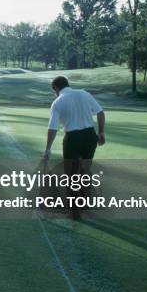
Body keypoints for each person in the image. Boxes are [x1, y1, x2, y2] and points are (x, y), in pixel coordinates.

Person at [42, 76, 105, 218]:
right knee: (85, 170)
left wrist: (47, 149)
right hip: (90, 136)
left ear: (56, 88)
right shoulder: (84, 93)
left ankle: (74, 211)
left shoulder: (57, 102)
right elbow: (100, 113)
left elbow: (53, 128)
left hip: (73, 138)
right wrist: (101, 132)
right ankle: (85, 205)